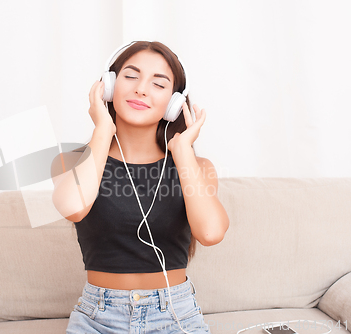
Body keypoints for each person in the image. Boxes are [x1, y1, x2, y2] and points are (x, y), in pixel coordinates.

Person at [52, 41, 229, 333]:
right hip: (97, 317)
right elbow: (73, 207)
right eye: (130, 76)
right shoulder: (70, 162)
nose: (141, 89)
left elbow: (210, 233)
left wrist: (182, 151)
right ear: (108, 86)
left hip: (175, 314)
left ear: (173, 104)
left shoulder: (197, 168)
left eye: (158, 84)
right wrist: (103, 129)